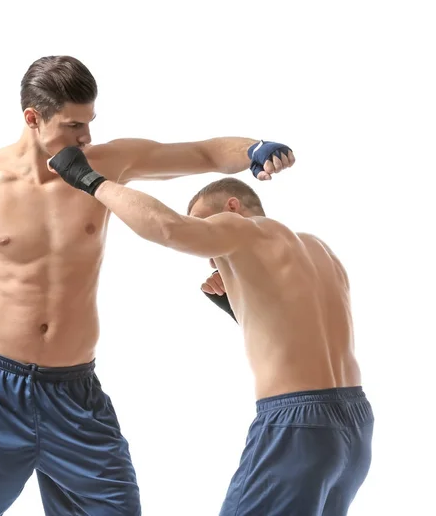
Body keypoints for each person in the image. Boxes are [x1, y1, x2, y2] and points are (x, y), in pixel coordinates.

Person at [0, 55, 296, 516]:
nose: (85, 137)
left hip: (74, 391)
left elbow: (202, 154)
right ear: (33, 118)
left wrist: (254, 149)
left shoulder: (105, 165)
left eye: (90, 122)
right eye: (72, 125)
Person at [48, 147, 374, 516]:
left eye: (206, 223)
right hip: (355, 425)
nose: (208, 249)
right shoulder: (320, 251)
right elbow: (304, 333)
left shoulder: (241, 228)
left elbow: (168, 228)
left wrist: (90, 181)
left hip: (298, 425)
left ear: (232, 208)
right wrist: (235, 304)